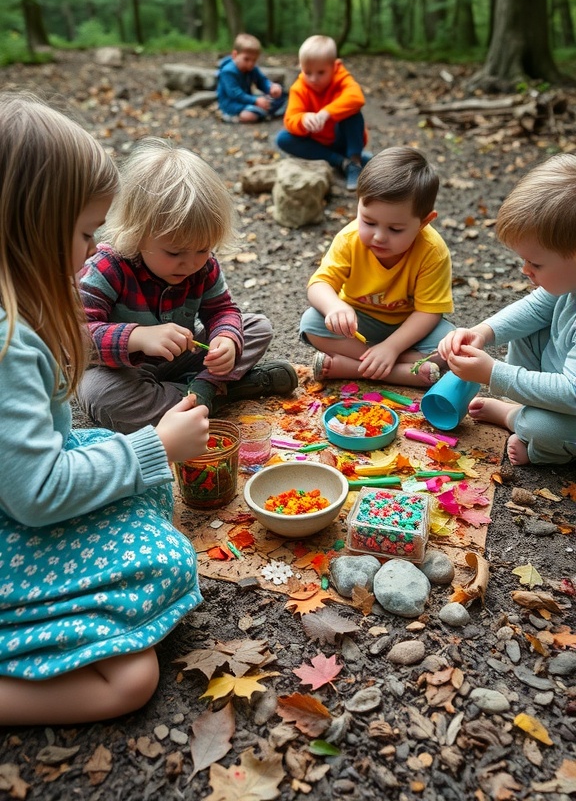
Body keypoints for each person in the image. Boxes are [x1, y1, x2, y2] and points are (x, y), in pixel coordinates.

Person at [0, 94, 212, 725]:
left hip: (24, 489)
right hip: (21, 514)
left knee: (141, 485)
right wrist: (156, 446)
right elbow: (36, 493)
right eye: (86, 233)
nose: (93, 249)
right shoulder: (9, 343)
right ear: (31, 227)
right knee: (133, 675)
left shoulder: (23, 307)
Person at [77, 138, 297, 434]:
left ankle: (201, 391)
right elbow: (77, 335)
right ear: (137, 234)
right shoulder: (107, 267)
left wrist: (225, 340)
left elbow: (222, 310)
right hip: (120, 370)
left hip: (180, 358)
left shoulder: (202, 265)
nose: (191, 263)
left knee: (257, 328)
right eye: (174, 253)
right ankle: (223, 392)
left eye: (203, 249)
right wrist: (137, 337)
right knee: (102, 397)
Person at [438, 153, 576, 467]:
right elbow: (536, 307)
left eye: (535, 263)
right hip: (559, 383)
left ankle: (526, 430)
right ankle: (525, 409)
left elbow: (571, 392)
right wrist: (482, 332)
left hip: (569, 399)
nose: (525, 270)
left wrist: (492, 373)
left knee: (541, 428)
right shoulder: (568, 281)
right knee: (525, 326)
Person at [301, 146, 454, 385]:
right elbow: (319, 284)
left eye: (395, 229)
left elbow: (429, 312)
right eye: (369, 222)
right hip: (358, 323)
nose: (379, 237)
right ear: (359, 205)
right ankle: (403, 372)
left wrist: (391, 347)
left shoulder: (432, 251)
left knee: (449, 344)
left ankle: (352, 368)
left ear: (424, 222)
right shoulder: (349, 239)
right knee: (311, 322)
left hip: (408, 328)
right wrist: (334, 307)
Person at [276, 34, 370, 192]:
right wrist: (303, 120)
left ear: (334, 66)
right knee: (283, 138)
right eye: (308, 72)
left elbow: (356, 98)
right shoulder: (299, 88)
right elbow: (290, 119)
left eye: (321, 72)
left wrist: (327, 113)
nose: (313, 78)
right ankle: (341, 162)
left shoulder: (342, 78)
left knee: (353, 113)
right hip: (317, 142)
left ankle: (355, 161)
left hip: (342, 138)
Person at [217, 32, 287, 124]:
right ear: (235, 55)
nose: (250, 63)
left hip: (248, 100)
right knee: (248, 115)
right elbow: (235, 94)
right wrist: (255, 100)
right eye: (246, 59)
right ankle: (235, 116)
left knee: (282, 95)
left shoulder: (252, 68)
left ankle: (263, 111)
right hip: (232, 104)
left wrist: (271, 87)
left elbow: (261, 81)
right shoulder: (228, 72)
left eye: (254, 60)